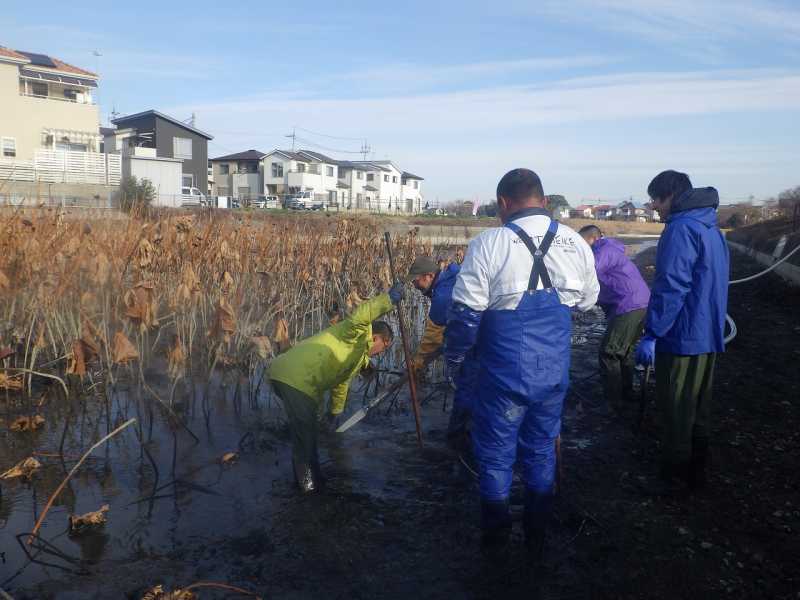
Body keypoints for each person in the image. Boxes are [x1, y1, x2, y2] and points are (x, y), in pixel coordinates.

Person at [444, 168, 599, 557]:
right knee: (542, 448)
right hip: (553, 371)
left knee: (496, 453)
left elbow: (464, 316)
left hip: (503, 373)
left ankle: (495, 540)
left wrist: (455, 361)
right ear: (544, 201)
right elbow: (588, 301)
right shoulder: (575, 242)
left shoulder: (488, 243)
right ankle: (536, 536)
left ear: (502, 204)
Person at [635, 170, 729, 491]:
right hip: (709, 332)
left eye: (656, 199)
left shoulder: (680, 228)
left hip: (682, 335)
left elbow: (672, 285)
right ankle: (697, 472)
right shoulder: (711, 227)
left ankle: (673, 478)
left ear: (670, 196)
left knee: (676, 406)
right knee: (699, 403)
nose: (654, 207)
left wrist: (652, 332)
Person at [269, 283, 403, 493]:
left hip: (295, 380)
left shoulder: (357, 357)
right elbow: (360, 316)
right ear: (377, 338)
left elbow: (341, 383)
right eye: (383, 347)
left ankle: (312, 482)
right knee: (306, 441)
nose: (380, 353)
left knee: (308, 433)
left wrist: (335, 412)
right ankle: (307, 491)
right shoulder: (357, 334)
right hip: (295, 378)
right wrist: (388, 300)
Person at [406, 255, 476, 452]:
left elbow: (432, 339)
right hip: (487, 338)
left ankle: (459, 441)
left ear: (429, 276)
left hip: (472, 347)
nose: (414, 286)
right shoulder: (454, 276)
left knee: (466, 390)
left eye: (416, 281)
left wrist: (417, 364)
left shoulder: (442, 297)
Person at [579, 225, 650, 413]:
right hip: (637, 303)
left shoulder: (604, 250)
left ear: (592, 238)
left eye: (582, 242)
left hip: (629, 305)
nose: (580, 246)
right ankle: (627, 392)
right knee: (623, 351)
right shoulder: (609, 249)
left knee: (609, 352)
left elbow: (589, 273)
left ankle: (613, 402)